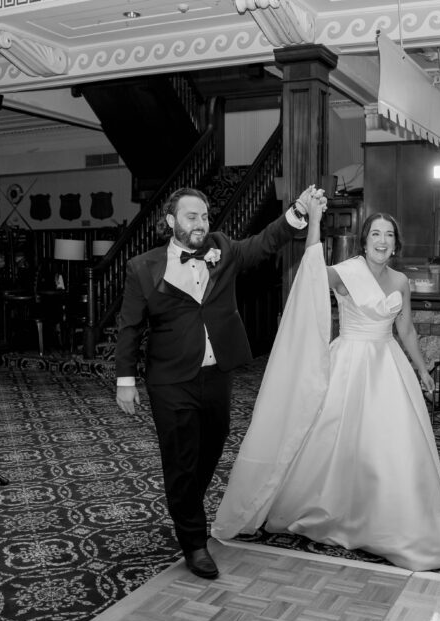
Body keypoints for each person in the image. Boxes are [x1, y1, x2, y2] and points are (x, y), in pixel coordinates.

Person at [212, 203, 440, 572]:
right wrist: (313, 223)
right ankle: (327, 510)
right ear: (364, 242)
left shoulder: (400, 281)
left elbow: (405, 329)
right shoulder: (346, 273)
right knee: (335, 438)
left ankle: (389, 520)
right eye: (375, 234)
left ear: (396, 244)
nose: (382, 240)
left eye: (388, 235)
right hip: (347, 363)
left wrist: (422, 369)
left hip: (388, 366)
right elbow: (312, 272)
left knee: (391, 446)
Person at [115, 185, 321, 580]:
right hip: (170, 378)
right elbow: (130, 328)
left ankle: (185, 505)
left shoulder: (222, 248)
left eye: (205, 216)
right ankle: (194, 542)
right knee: (180, 458)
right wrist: (126, 379)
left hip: (217, 373)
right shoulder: (143, 266)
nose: (201, 223)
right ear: (171, 221)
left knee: (211, 446)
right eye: (192, 216)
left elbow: (264, 243)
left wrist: (298, 210)